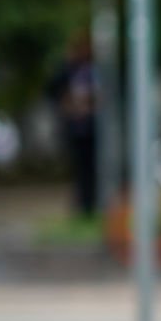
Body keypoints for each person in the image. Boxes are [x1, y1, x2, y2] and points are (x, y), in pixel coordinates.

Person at [48, 32, 97, 217]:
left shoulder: (95, 70)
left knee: (92, 168)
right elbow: (53, 90)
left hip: (92, 129)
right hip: (76, 129)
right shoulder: (68, 71)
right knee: (80, 168)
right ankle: (82, 205)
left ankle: (91, 203)